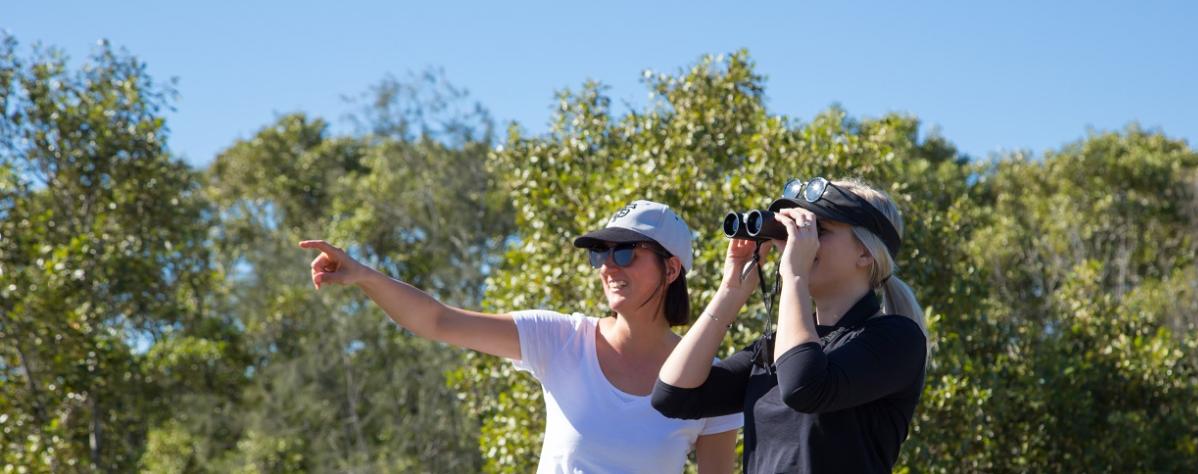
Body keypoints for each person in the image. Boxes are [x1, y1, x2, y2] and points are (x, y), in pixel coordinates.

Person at [300, 200, 741, 474]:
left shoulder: (708, 381)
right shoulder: (560, 338)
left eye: (626, 252)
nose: (609, 266)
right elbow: (437, 321)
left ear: (671, 269)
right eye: (601, 254)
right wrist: (361, 275)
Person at [652, 177, 929, 473]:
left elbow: (803, 387)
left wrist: (795, 274)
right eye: (793, 231)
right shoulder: (776, 347)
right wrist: (731, 291)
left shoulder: (897, 338)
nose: (798, 242)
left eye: (817, 230)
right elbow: (673, 396)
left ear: (865, 253)